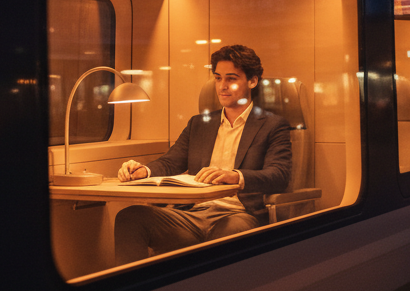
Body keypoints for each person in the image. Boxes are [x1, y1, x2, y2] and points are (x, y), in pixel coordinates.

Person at [113, 45, 292, 264]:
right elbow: (171, 162)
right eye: (218, 78)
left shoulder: (273, 125)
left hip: (237, 215)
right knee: (130, 217)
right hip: (190, 215)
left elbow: (279, 175)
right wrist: (143, 170)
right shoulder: (199, 124)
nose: (222, 86)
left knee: (225, 237)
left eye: (231, 78)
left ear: (252, 81)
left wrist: (235, 176)